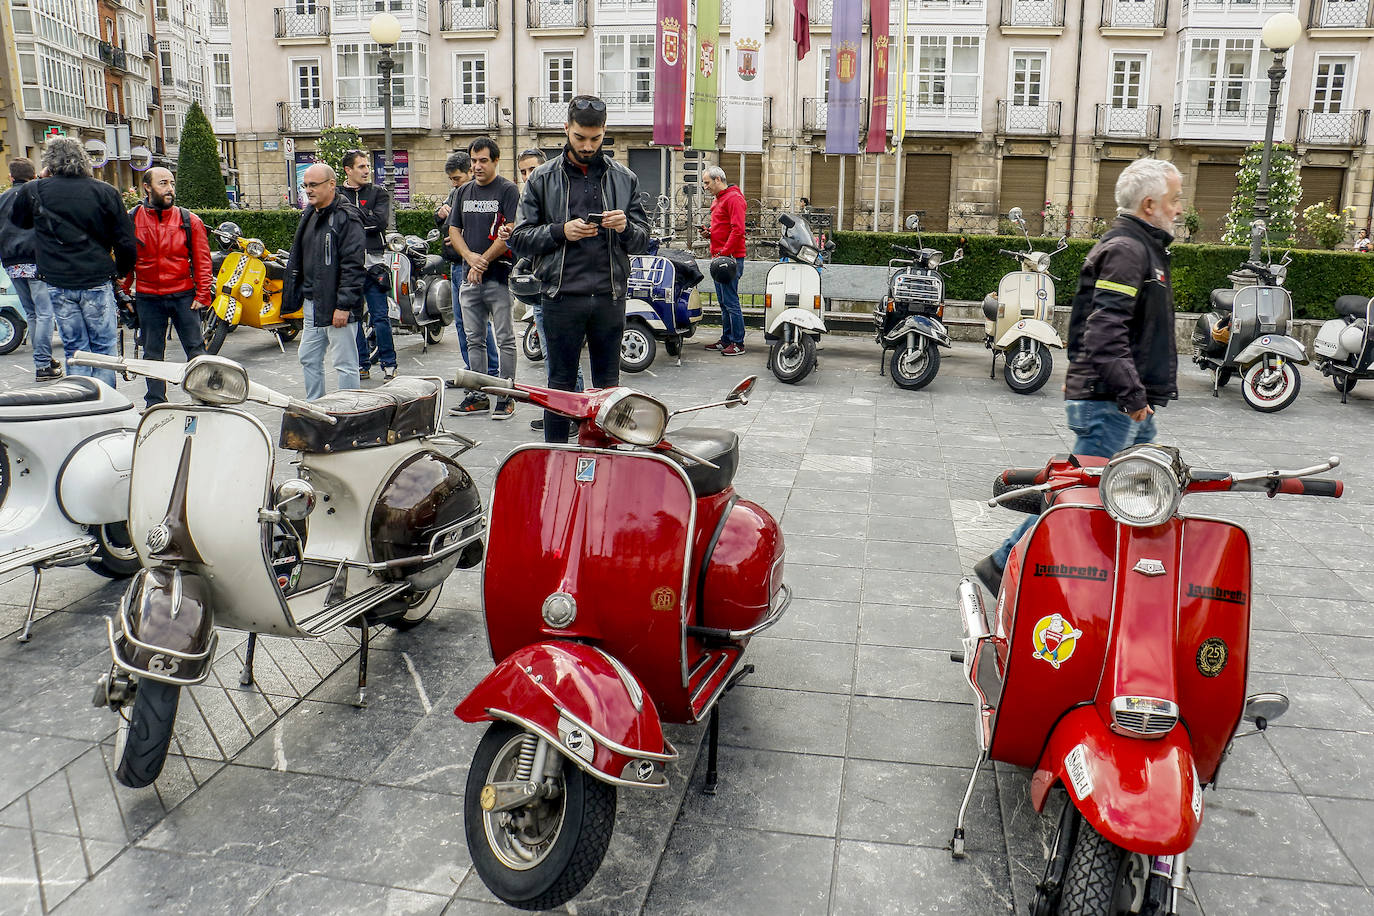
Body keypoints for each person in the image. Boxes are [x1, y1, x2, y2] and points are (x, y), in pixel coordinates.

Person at [973, 157, 1183, 597]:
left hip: (1124, 401)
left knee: (1141, 490)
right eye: (1175, 199)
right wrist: (1132, 397)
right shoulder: (1128, 250)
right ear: (1149, 204)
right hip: (1112, 402)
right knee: (1077, 495)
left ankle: (1115, 576)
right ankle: (1004, 564)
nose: (1179, 208)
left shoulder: (1143, 247)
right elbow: (1106, 331)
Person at [509, 94, 651, 443]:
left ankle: (606, 458)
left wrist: (625, 228)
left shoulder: (625, 178)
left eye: (595, 138)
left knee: (608, 388)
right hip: (561, 296)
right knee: (559, 386)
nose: (587, 146)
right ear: (566, 130)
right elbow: (520, 239)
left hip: (609, 296)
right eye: (579, 138)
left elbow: (643, 241)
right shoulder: (541, 178)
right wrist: (562, 230)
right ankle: (555, 459)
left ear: (605, 132)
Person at [9, 136, 136, 388]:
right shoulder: (105, 192)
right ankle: (106, 405)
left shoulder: (33, 190)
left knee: (75, 347)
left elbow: (19, 221)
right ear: (84, 160)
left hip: (58, 281)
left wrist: (41, 179)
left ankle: (81, 400)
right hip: (96, 279)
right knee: (103, 346)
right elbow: (126, 241)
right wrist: (122, 271)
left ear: (48, 163)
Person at [506, 148, 584, 433]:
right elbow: (526, 243)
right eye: (523, 171)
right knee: (552, 357)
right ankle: (561, 412)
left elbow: (551, 240)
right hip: (537, 286)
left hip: (555, 288)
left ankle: (571, 414)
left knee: (562, 357)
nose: (527, 176)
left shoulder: (551, 198)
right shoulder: (529, 201)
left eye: (531, 170)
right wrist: (513, 236)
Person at [121, 166, 213, 408]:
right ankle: (155, 403)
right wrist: (123, 294)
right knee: (152, 353)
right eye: (163, 183)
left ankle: (204, 396)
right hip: (148, 297)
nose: (170, 189)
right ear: (147, 187)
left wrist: (203, 294)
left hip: (184, 295)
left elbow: (203, 260)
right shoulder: (131, 219)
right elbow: (126, 261)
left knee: (196, 350)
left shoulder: (189, 220)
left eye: (171, 183)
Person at [447, 137, 521, 419]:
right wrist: (470, 259)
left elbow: (510, 231)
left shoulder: (508, 190)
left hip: (498, 277)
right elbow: (454, 230)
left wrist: (483, 261)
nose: (477, 166)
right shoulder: (464, 192)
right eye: (474, 161)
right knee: (473, 339)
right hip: (470, 278)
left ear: (495, 161)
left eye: (483, 161)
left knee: (505, 339)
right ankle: (477, 396)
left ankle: (506, 396)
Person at [282, 163, 366, 400]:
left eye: (313, 185)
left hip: (338, 306)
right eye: (305, 185)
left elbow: (353, 266)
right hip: (313, 303)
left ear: (331, 185)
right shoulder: (310, 214)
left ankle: (351, 411)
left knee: (345, 363)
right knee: (308, 356)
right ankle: (315, 405)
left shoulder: (347, 217)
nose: (308, 190)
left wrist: (344, 306)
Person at [436, 150, 498, 375]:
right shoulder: (456, 193)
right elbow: (442, 217)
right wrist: (440, 212)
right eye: (451, 179)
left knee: (477, 322)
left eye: (457, 178)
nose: (453, 184)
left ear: (470, 173)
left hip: (470, 266)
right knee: (462, 323)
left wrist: (461, 243)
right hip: (455, 265)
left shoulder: (479, 195)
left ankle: (489, 369)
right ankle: (472, 368)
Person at [337, 149, 396, 380]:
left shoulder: (378, 193)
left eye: (367, 166)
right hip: (348, 267)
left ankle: (389, 364)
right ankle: (362, 364)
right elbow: (337, 224)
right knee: (353, 320)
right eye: (361, 167)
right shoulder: (337, 194)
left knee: (380, 317)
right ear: (348, 170)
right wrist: (363, 216)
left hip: (374, 266)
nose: (366, 171)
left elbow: (379, 223)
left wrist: (351, 217)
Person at [0, 158, 62, 381]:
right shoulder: (37, 194)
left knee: (33, 314)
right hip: (36, 261)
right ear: (33, 175)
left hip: (11, 263)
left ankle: (43, 360)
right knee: (45, 313)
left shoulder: (2, 199)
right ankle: (43, 364)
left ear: (10, 177)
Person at [700, 165, 747, 355]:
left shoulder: (734, 198)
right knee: (723, 302)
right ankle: (727, 339)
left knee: (731, 301)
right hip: (720, 258)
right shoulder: (718, 200)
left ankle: (738, 343)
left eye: (707, 182)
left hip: (729, 259)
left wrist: (725, 253)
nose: (705, 187)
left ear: (718, 179)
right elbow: (724, 229)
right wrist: (709, 234)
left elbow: (738, 230)